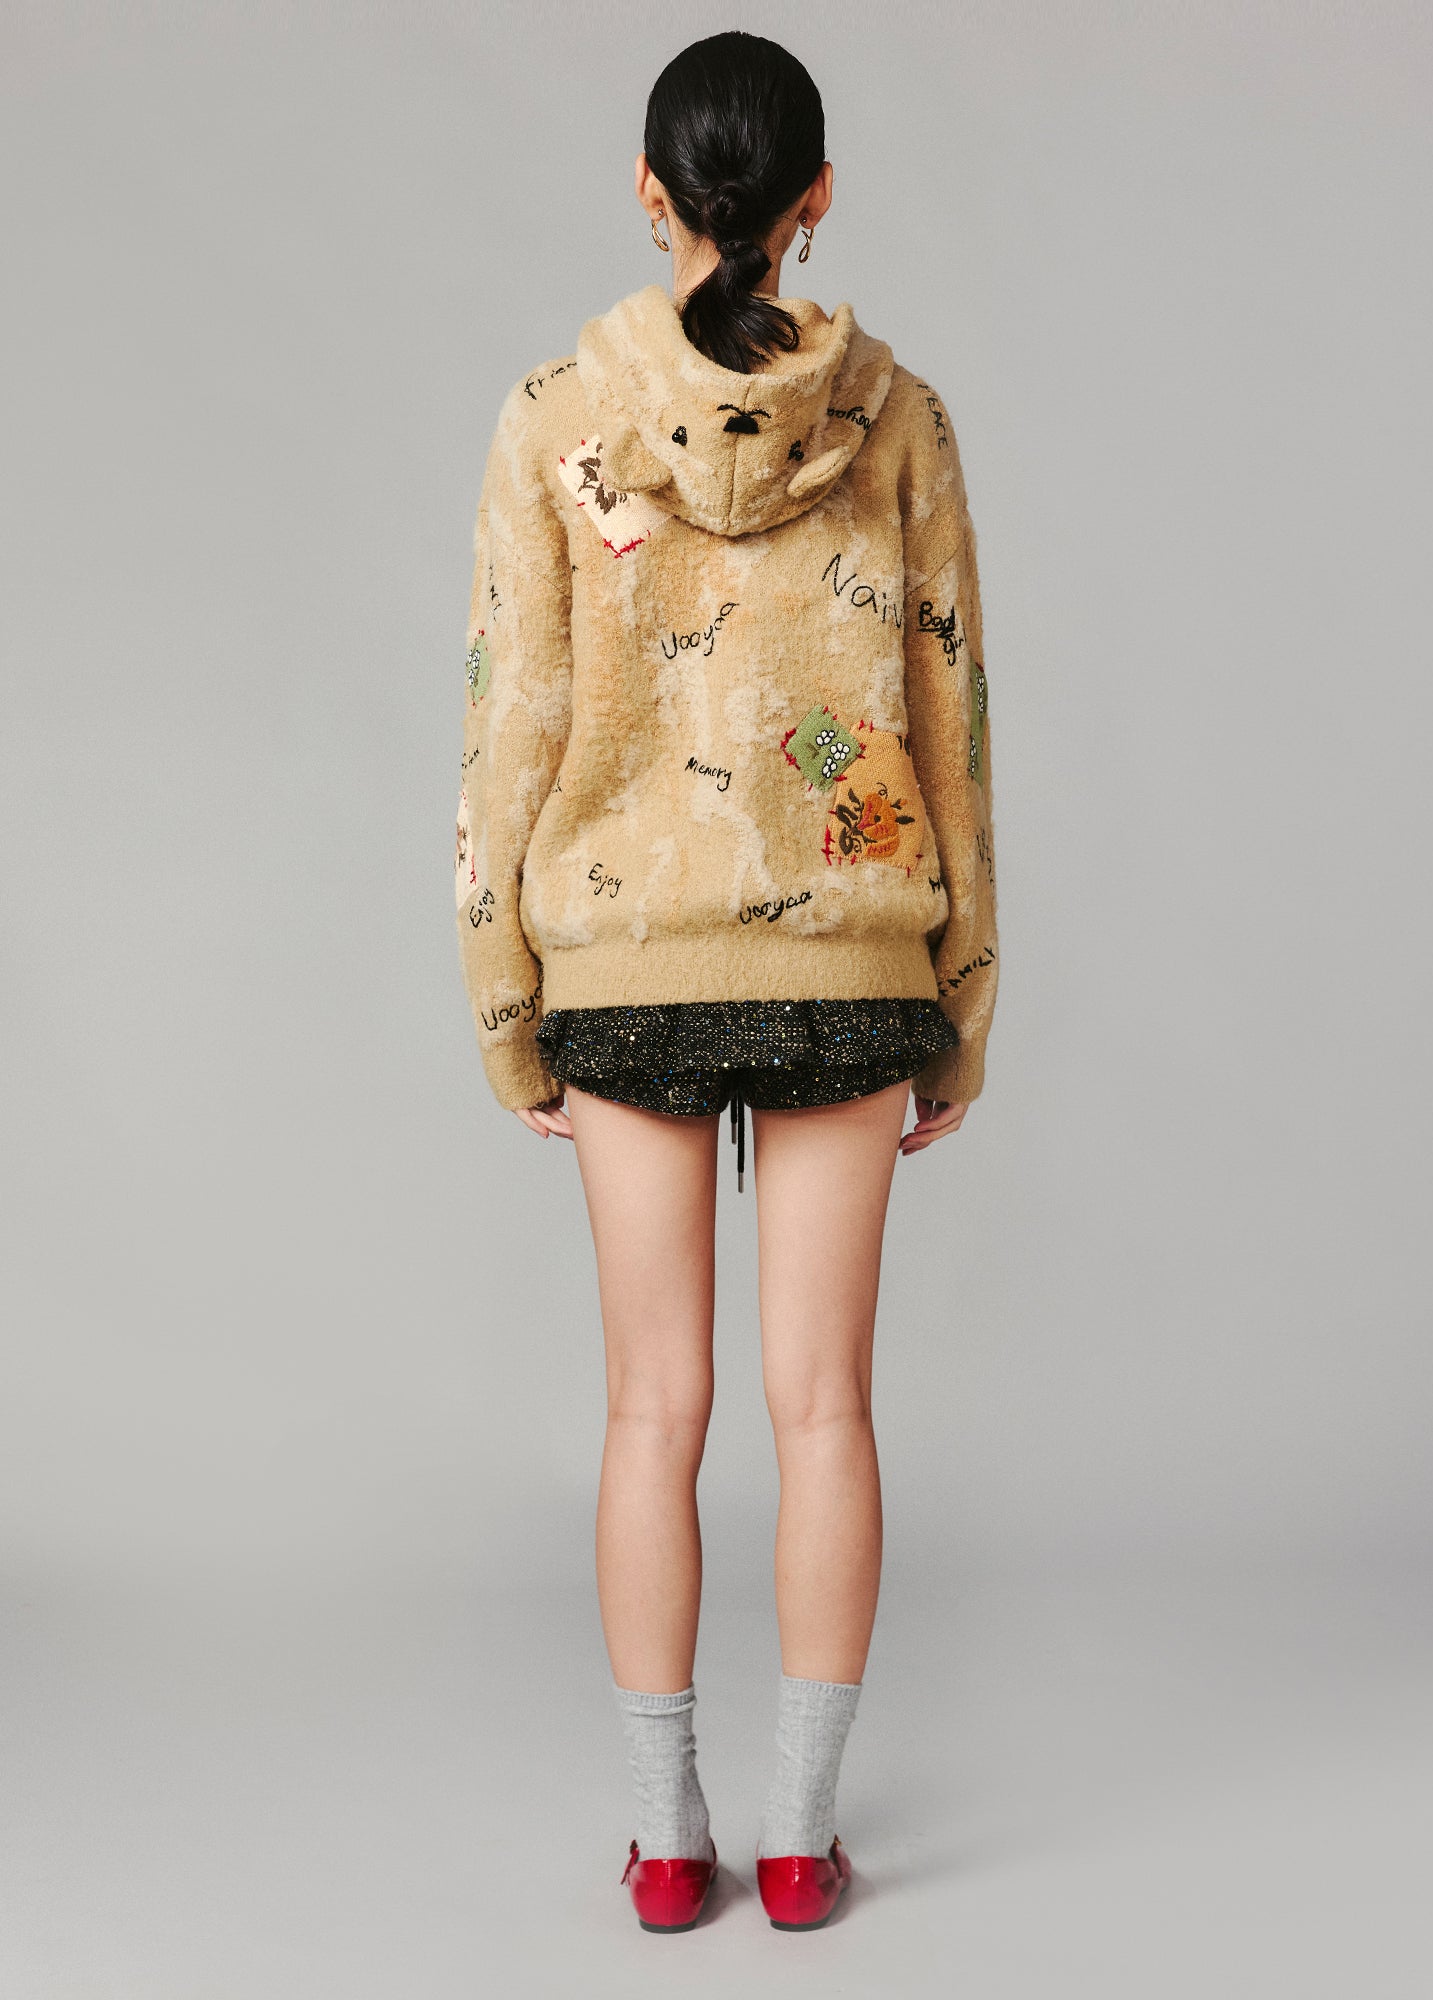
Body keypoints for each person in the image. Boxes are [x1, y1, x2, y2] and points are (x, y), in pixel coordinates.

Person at [454, 30, 998, 1935]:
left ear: (650, 191)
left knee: (650, 1410)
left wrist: (505, 1005)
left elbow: (509, 731)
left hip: (623, 968)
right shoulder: (901, 418)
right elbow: (951, 725)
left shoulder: (554, 417)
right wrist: (961, 1003)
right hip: (853, 961)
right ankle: (796, 1839)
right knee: (823, 1405)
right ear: (816, 197)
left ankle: (665, 1843)